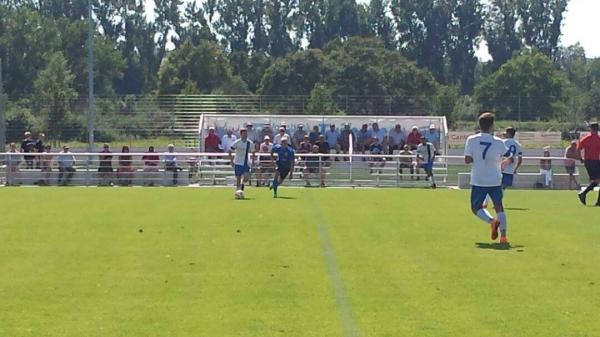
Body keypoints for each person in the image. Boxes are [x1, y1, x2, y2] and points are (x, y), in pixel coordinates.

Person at [464, 112, 512, 244]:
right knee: (499, 207)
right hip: (495, 179)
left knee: (476, 208)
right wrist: (503, 163)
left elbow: (467, 160)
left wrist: (476, 158)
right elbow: (509, 155)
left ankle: (492, 221)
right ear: (492, 126)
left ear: (479, 125)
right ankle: (503, 236)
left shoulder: (472, 139)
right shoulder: (498, 142)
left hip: (479, 179)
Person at [577, 122, 600, 206]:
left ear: (591, 128)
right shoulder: (598, 139)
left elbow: (578, 149)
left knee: (596, 181)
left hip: (588, 161)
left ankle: (597, 201)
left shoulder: (586, 138)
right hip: (595, 161)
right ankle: (583, 193)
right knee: (597, 181)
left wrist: (581, 158)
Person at [229, 128, 255, 193]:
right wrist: (231, 161)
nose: (245, 135)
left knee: (246, 177)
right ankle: (238, 191)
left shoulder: (249, 143)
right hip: (238, 162)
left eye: (246, 133)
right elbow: (230, 151)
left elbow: (253, 152)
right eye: (244, 133)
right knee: (238, 177)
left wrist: (253, 161)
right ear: (241, 134)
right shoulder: (237, 142)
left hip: (246, 162)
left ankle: (242, 184)